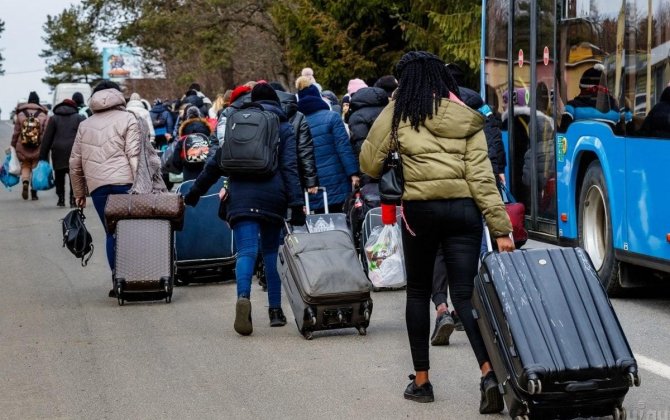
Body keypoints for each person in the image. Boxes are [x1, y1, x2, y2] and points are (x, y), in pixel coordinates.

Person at [359, 51, 514, 413]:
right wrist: (501, 227)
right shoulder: (466, 117)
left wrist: (392, 110)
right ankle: (489, 373)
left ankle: (423, 381)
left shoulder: (399, 115)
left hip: (421, 211)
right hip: (464, 212)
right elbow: (481, 177)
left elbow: (369, 162)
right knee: (465, 295)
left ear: (404, 83)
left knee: (417, 291)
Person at [182, 83, 303, 335]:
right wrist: (296, 204)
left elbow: (215, 163)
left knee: (246, 251)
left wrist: (194, 193)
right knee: (271, 252)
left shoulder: (238, 124)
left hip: (240, 195)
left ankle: (243, 297)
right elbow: (290, 167)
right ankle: (275, 311)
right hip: (273, 196)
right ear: (277, 102)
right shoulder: (283, 126)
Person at [69, 80, 141, 296]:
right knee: (130, 232)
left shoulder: (85, 124)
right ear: (117, 96)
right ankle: (136, 278)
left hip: (99, 188)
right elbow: (134, 154)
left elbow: (75, 163)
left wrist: (79, 194)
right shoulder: (129, 118)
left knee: (111, 232)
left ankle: (117, 281)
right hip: (125, 183)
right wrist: (140, 185)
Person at [297, 77, 360, 213]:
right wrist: (353, 173)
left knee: (320, 225)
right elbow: (344, 148)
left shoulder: (297, 122)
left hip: (314, 185)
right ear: (318, 97)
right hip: (337, 181)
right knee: (341, 224)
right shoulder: (332, 117)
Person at [39, 98, 86, 207]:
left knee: (59, 176)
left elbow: (47, 138)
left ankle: (61, 198)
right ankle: (73, 200)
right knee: (74, 176)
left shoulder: (54, 119)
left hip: (58, 151)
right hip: (74, 150)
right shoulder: (79, 118)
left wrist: (42, 156)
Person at [11, 91, 49, 201]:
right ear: (38, 101)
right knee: (35, 167)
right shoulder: (43, 114)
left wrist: (13, 144)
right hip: (38, 146)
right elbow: (46, 132)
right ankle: (34, 193)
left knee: (26, 165)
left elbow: (16, 132)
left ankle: (25, 181)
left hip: (23, 146)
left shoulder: (21, 114)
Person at [172, 106, 213, 181]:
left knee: (189, 188)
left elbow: (176, 158)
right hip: (205, 166)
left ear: (187, 116)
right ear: (199, 115)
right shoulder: (206, 131)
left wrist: (180, 166)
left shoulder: (184, 132)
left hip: (188, 167)